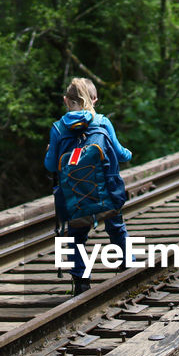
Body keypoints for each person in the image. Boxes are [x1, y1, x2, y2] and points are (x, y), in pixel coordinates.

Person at [43, 77, 132, 295]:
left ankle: (82, 280)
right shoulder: (102, 122)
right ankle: (127, 264)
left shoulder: (58, 128)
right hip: (107, 192)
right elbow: (121, 155)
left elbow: (52, 165)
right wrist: (129, 153)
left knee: (76, 236)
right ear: (95, 99)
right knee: (117, 228)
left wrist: (48, 152)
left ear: (66, 101)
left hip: (75, 197)